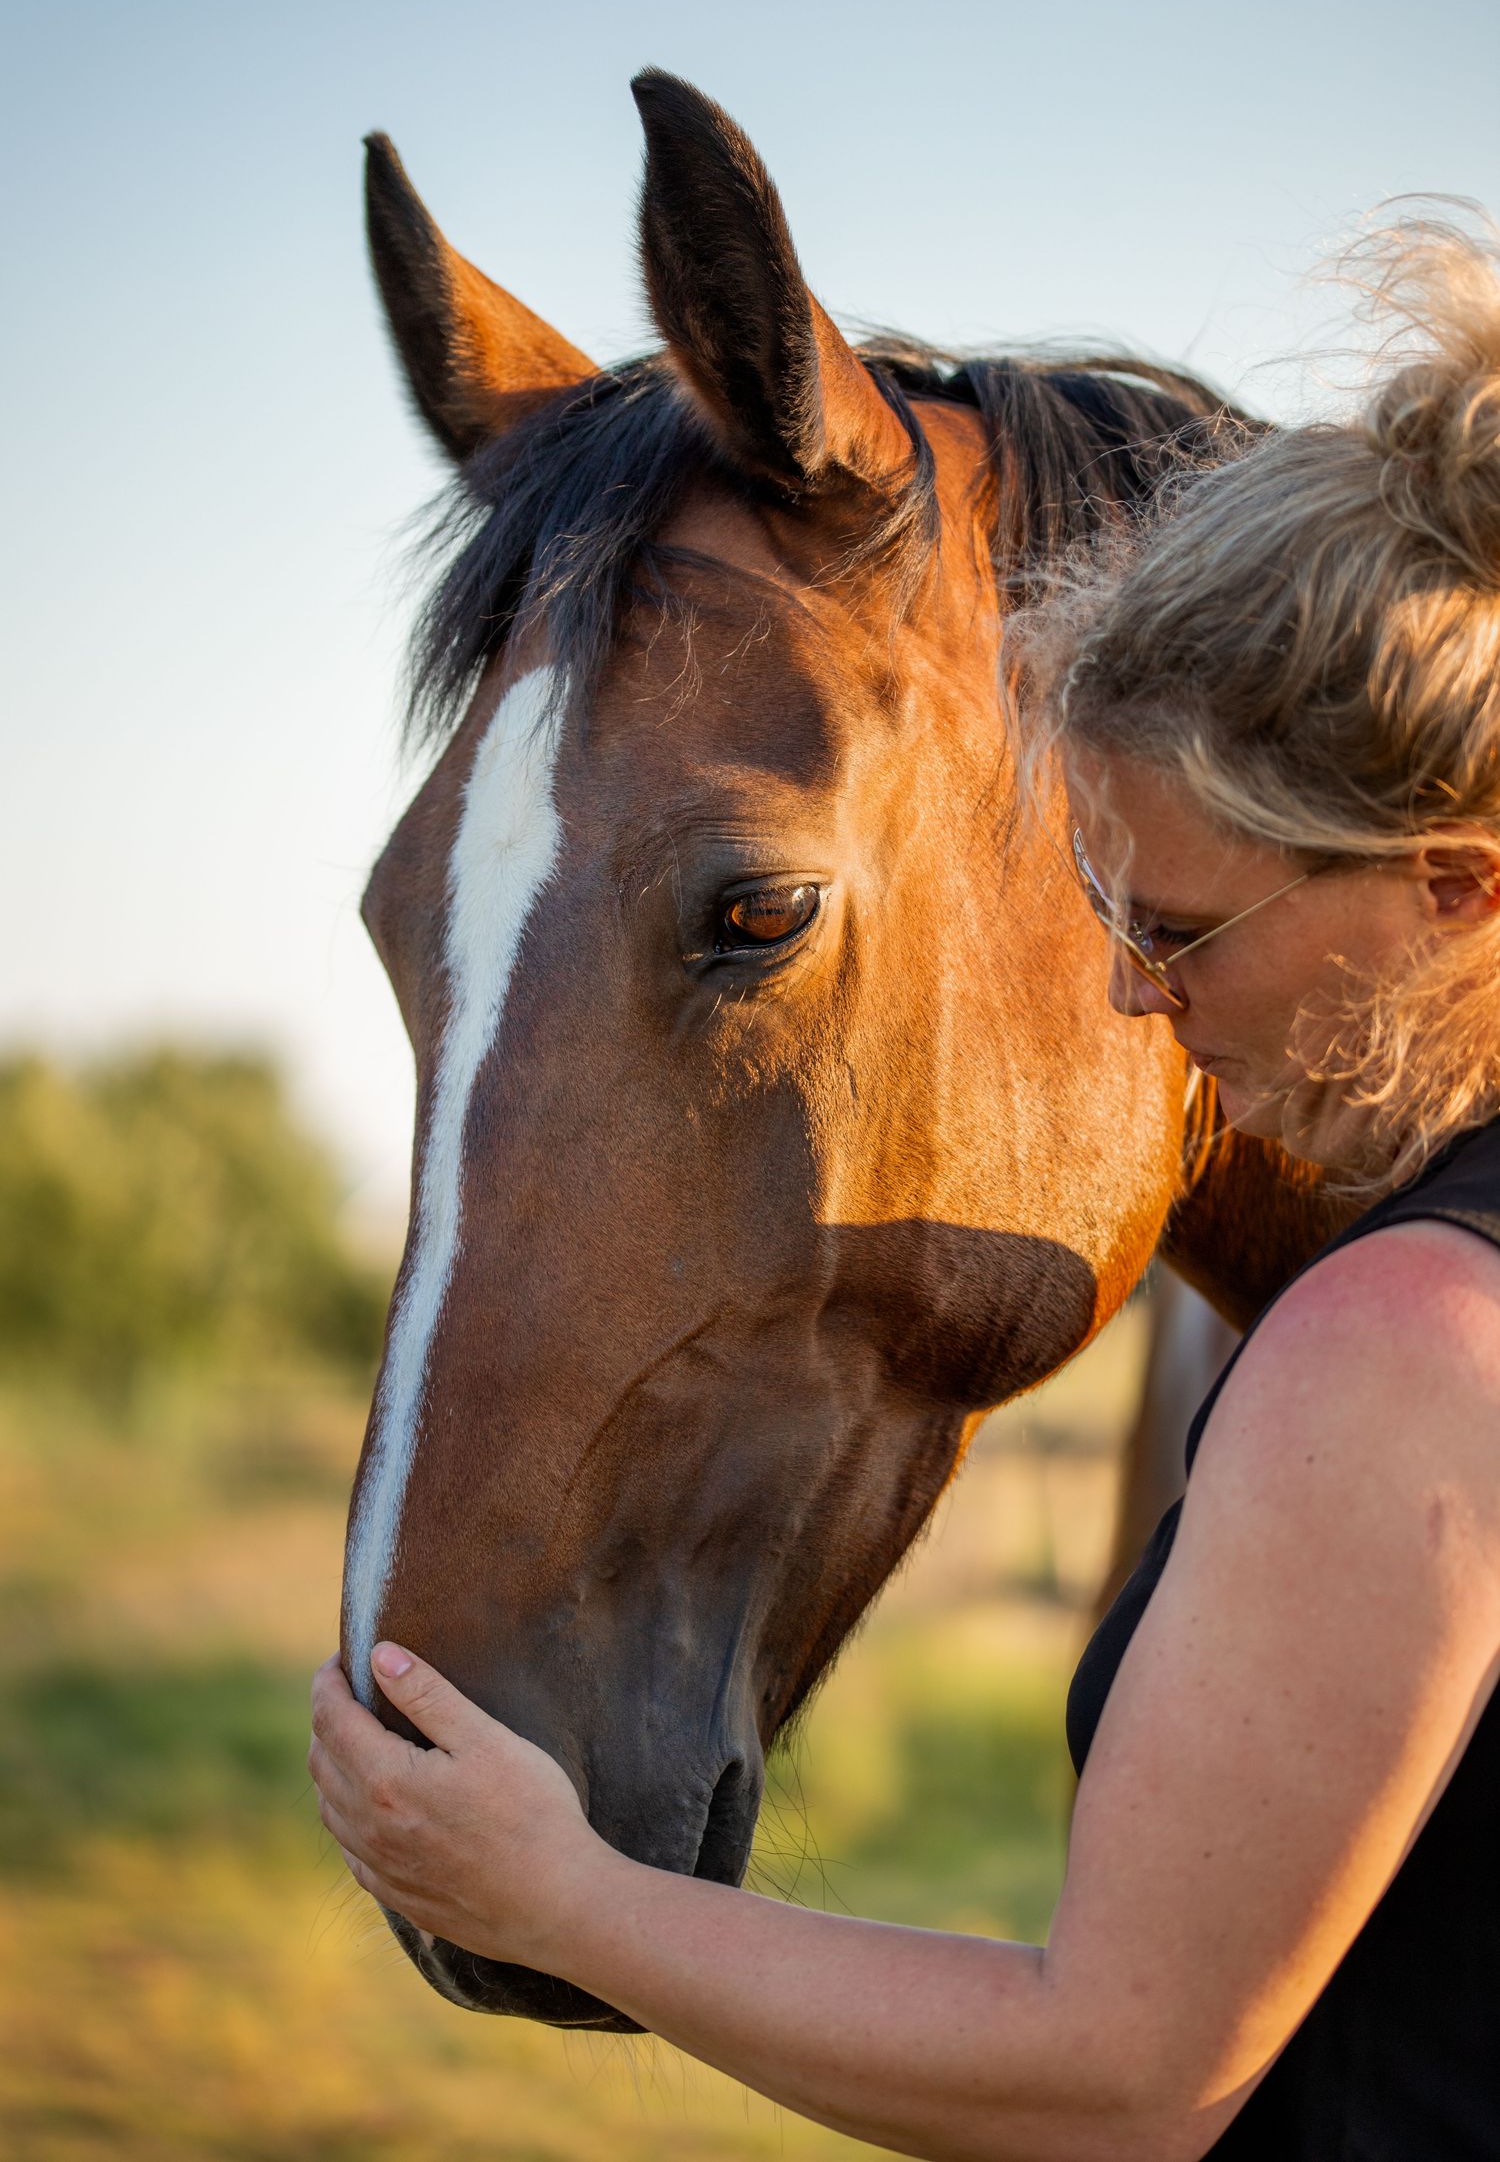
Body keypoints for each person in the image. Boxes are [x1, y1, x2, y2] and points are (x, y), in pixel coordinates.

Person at [308, 214, 1500, 2161]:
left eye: (1174, 919)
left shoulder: (1407, 1341)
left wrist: (574, 1903)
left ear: (1453, 888)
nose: (1127, 984)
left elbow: (1122, 2078)